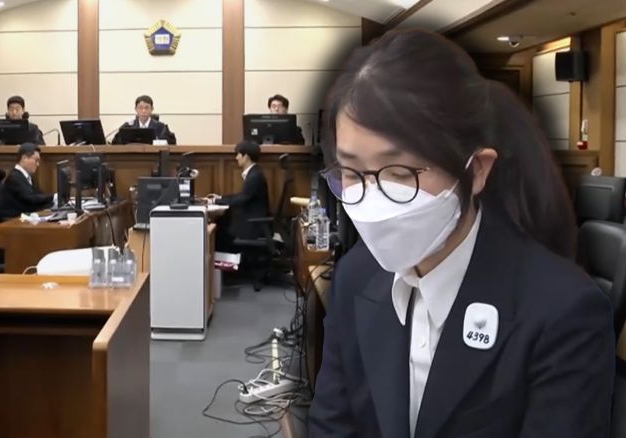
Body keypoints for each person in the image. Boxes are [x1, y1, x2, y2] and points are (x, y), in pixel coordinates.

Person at [309, 29, 614, 437]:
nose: (373, 198)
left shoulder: (563, 309)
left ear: (477, 170)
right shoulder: (356, 275)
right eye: (351, 171)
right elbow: (332, 424)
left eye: (401, 173)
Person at [207, 140, 270, 252]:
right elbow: (242, 195)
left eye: (238, 154)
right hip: (251, 221)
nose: (236, 158)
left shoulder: (255, 176)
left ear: (246, 156)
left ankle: (224, 262)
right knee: (221, 225)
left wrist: (214, 201)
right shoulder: (254, 173)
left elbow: (242, 198)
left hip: (254, 226)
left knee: (218, 233)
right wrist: (220, 198)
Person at [0, 143, 54, 218]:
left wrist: (53, 202)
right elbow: (30, 198)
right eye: (36, 160)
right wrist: (53, 197)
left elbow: (38, 195)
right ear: (24, 158)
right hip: (14, 220)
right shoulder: (15, 177)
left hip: (26, 216)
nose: (38, 164)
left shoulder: (28, 176)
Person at [111, 95, 177, 145]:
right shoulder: (128, 126)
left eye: (146, 108)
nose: (143, 111)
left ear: (152, 109)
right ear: (136, 109)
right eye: (140, 108)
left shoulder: (161, 127)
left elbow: (170, 144)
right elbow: (116, 143)